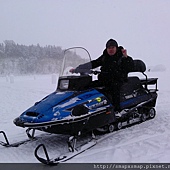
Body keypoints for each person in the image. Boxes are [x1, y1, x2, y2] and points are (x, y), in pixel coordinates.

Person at [70, 39, 134, 112]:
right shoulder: (104, 57)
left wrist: (126, 57)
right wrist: (79, 68)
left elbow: (131, 66)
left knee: (114, 90)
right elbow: (94, 63)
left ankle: (117, 111)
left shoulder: (121, 56)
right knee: (87, 85)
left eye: (113, 47)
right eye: (109, 48)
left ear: (116, 48)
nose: (111, 49)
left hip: (118, 80)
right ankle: (82, 107)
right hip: (104, 80)